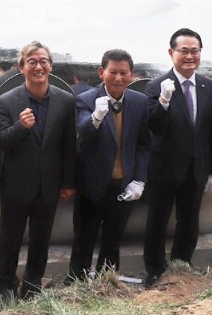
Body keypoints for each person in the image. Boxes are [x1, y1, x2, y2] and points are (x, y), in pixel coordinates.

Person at [0, 41, 76, 300]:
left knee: (41, 241)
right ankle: (6, 287)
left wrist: (68, 182)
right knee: (10, 241)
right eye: (32, 62)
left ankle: (32, 286)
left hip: (48, 185)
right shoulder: (6, 101)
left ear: (51, 66)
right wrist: (21, 127)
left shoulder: (65, 100)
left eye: (43, 61)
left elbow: (68, 145)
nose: (38, 66)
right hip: (16, 185)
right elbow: (1, 141)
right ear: (22, 67)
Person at [143, 28, 212, 287]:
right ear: (171, 53)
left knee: (189, 221)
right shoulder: (156, 85)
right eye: (184, 51)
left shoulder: (210, 87)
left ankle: (181, 266)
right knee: (158, 221)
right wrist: (164, 102)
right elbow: (153, 127)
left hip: (196, 168)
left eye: (194, 51)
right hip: (164, 168)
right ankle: (155, 269)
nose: (190, 56)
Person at [68, 49, 150, 282]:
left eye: (124, 73)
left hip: (124, 185)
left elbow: (144, 144)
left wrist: (139, 179)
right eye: (113, 72)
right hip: (92, 183)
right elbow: (83, 132)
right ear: (101, 72)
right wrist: (95, 118)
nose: (118, 78)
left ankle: (108, 282)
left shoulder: (139, 101)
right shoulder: (85, 99)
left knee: (113, 238)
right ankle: (76, 281)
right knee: (84, 237)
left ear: (131, 75)